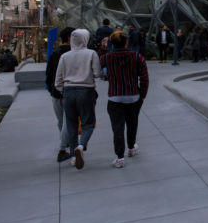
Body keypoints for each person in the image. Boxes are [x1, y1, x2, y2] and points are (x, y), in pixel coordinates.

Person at [101, 30, 149, 168]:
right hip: (133, 96)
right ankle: (131, 148)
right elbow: (144, 78)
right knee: (132, 124)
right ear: (126, 42)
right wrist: (142, 95)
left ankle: (120, 158)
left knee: (117, 128)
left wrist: (103, 49)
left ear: (112, 43)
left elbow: (100, 68)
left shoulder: (107, 58)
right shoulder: (137, 57)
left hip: (115, 97)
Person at [55, 29, 101, 170]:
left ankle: (74, 157)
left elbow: (58, 81)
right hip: (86, 91)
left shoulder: (64, 56)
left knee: (71, 125)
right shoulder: (91, 54)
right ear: (85, 39)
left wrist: (64, 91)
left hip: (68, 93)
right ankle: (81, 146)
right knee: (88, 123)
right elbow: (97, 73)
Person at [45, 27, 74, 162]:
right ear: (69, 38)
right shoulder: (71, 54)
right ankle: (63, 148)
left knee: (61, 121)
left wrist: (52, 90)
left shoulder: (54, 53)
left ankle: (66, 141)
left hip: (55, 93)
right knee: (68, 122)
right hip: (68, 92)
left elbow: (48, 74)